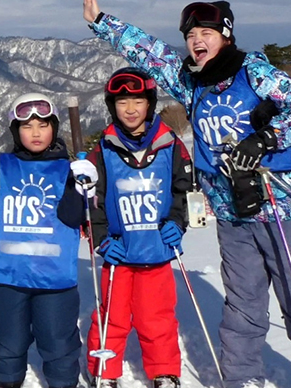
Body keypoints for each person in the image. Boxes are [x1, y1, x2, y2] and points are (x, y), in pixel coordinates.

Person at [84, 0, 291, 388]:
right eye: (191, 35)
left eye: (206, 33)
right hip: (232, 215)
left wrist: (265, 137)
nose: (197, 41)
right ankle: (243, 379)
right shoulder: (192, 83)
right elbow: (152, 55)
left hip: (283, 209)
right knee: (243, 308)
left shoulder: (254, 73)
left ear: (225, 36)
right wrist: (103, 22)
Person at [0, 92, 90, 388]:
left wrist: (82, 188)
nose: (36, 133)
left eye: (43, 125)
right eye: (27, 126)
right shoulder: (3, 164)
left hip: (55, 279)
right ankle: (9, 381)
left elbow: (73, 218)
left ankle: (62, 383)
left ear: (54, 128)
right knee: (8, 339)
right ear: (15, 131)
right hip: (9, 276)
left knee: (58, 340)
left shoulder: (69, 170)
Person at [83, 68, 193, 388]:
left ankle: (163, 371)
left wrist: (177, 223)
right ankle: (104, 370)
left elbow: (184, 190)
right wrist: (101, 239)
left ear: (150, 104)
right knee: (111, 315)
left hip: (156, 248)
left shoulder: (170, 144)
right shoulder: (103, 149)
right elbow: (92, 201)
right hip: (119, 251)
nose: (130, 109)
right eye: (122, 103)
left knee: (156, 316)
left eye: (138, 101)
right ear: (112, 106)